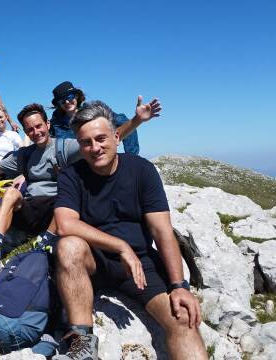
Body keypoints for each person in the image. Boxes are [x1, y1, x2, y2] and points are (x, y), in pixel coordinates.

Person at [0, 98, 160, 276]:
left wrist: (137, 120)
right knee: (10, 192)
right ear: (25, 131)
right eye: (30, 129)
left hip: (58, 212)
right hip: (32, 208)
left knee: (66, 196)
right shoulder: (24, 154)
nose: (36, 132)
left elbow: (108, 138)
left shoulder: (65, 147)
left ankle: (44, 244)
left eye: (39, 126)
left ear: (47, 124)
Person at [52, 101, 205, 360]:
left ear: (116, 136)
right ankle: (83, 347)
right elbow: (65, 224)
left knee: (182, 320)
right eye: (86, 142)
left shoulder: (141, 170)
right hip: (94, 259)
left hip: (140, 265)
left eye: (101, 138)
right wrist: (120, 246)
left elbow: (162, 230)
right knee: (69, 246)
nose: (94, 148)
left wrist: (179, 285)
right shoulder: (71, 175)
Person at [48, 81, 159, 155]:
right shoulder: (54, 125)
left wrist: (131, 158)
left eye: (70, 97)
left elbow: (125, 123)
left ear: (76, 97)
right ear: (58, 104)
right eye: (62, 100)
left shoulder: (95, 111)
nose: (67, 102)